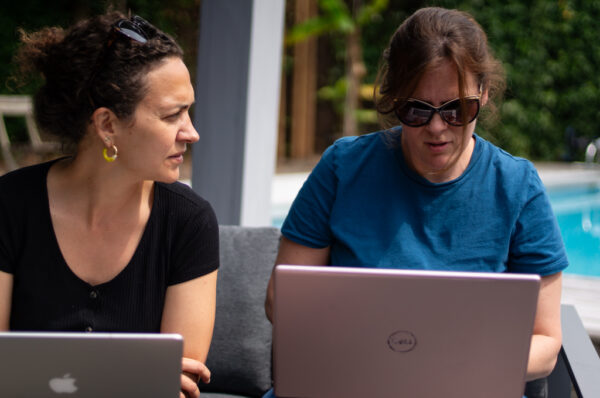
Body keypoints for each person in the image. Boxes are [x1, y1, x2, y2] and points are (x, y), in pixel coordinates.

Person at [264, 6, 567, 397]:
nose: (437, 128)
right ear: (394, 99)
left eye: (457, 109)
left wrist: (451, 363)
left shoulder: (517, 186)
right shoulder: (344, 168)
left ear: (484, 94)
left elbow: (546, 342)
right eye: (417, 109)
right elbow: (282, 303)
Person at [0, 12, 218, 398]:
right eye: (173, 115)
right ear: (107, 125)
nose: (192, 132)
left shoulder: (189, 221)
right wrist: (134, 374)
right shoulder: (9, 206)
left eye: (189, 111)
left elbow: (181, 384)